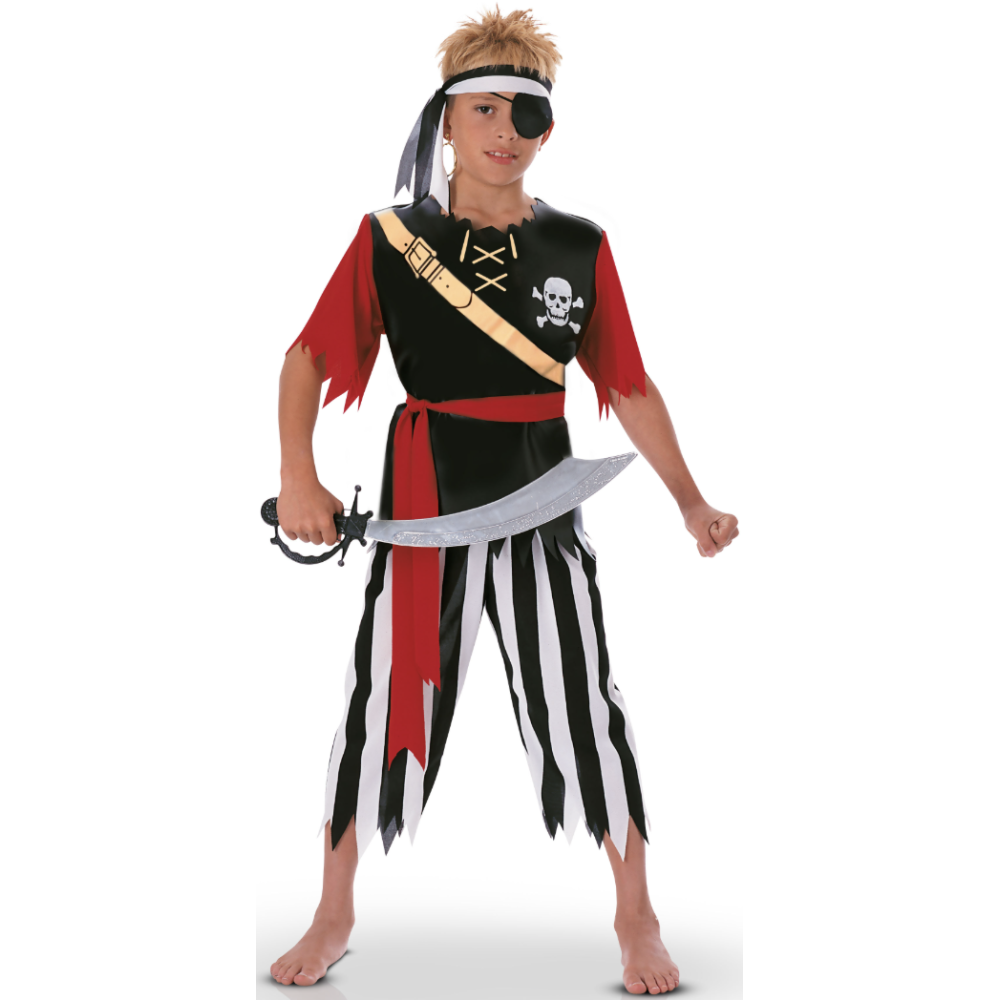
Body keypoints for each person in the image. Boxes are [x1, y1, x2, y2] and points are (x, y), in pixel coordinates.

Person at [271, 8, 738, 994]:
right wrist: (298, 476)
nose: (502, 132)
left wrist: (690, 502)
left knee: (581, 696)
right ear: (444, 120)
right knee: (381, 696)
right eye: (482, 109)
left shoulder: (579, 245)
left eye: (522, 115)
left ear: (545, 129)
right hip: (422, 495)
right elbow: (307, 357)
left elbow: (628, 384)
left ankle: (637, 915)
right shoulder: (390, 240)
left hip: (541, 491)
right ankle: (333, 909)